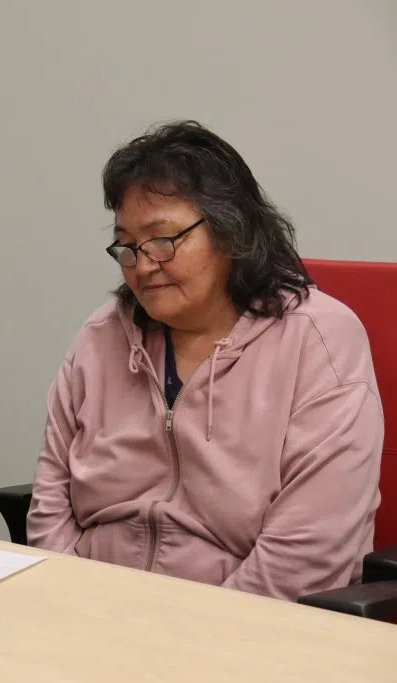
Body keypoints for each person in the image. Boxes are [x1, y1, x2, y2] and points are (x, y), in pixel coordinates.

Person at [26, 120, 383, 601]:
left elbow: (309, 554)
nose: (143, 263)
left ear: (231, 232)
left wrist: (197, 637)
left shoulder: (319, 341)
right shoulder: (102, 336)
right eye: (127, 245)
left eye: (163, 239)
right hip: (91, 613)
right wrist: (66, 600)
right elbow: (50, 497)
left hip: (248, 632)